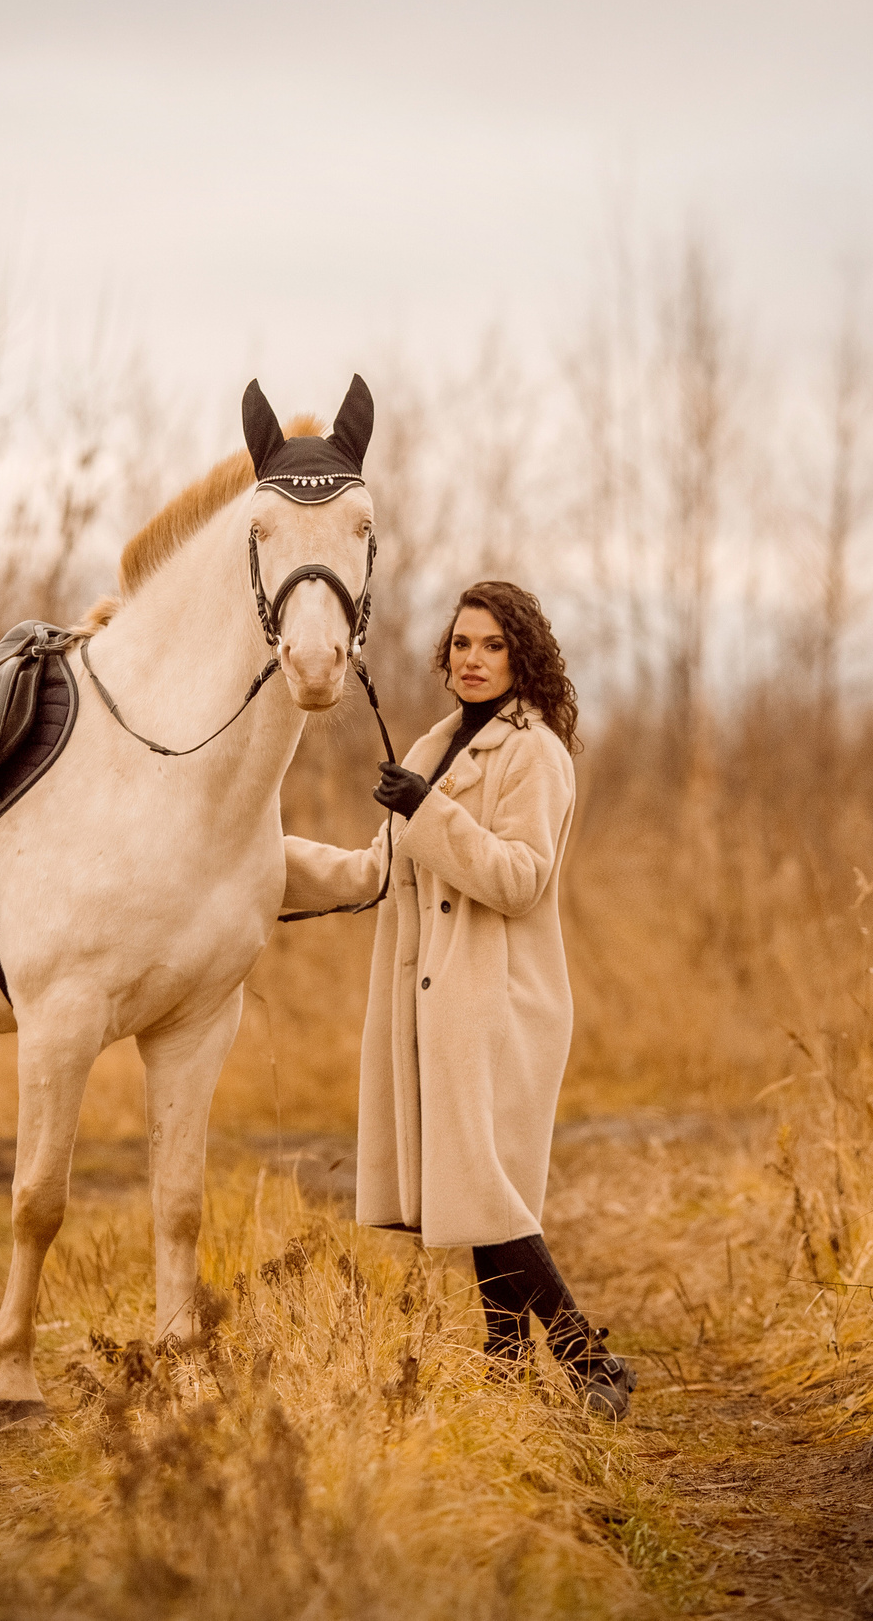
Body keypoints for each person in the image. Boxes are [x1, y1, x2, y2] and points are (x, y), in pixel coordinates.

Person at [282, 580, 637, 1418]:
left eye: (493, 645)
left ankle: (591, 1359)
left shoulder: (536, 753)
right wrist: (263, 861)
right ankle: (505, 1369)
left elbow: (520, 878)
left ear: (523, 657)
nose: (473, 659)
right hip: (442, 1002)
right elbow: (376, 871)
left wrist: (429, 809)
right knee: (481, 1187)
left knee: (484, 1185)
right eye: (463, 644)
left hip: (503, 1003)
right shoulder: (436, 744)